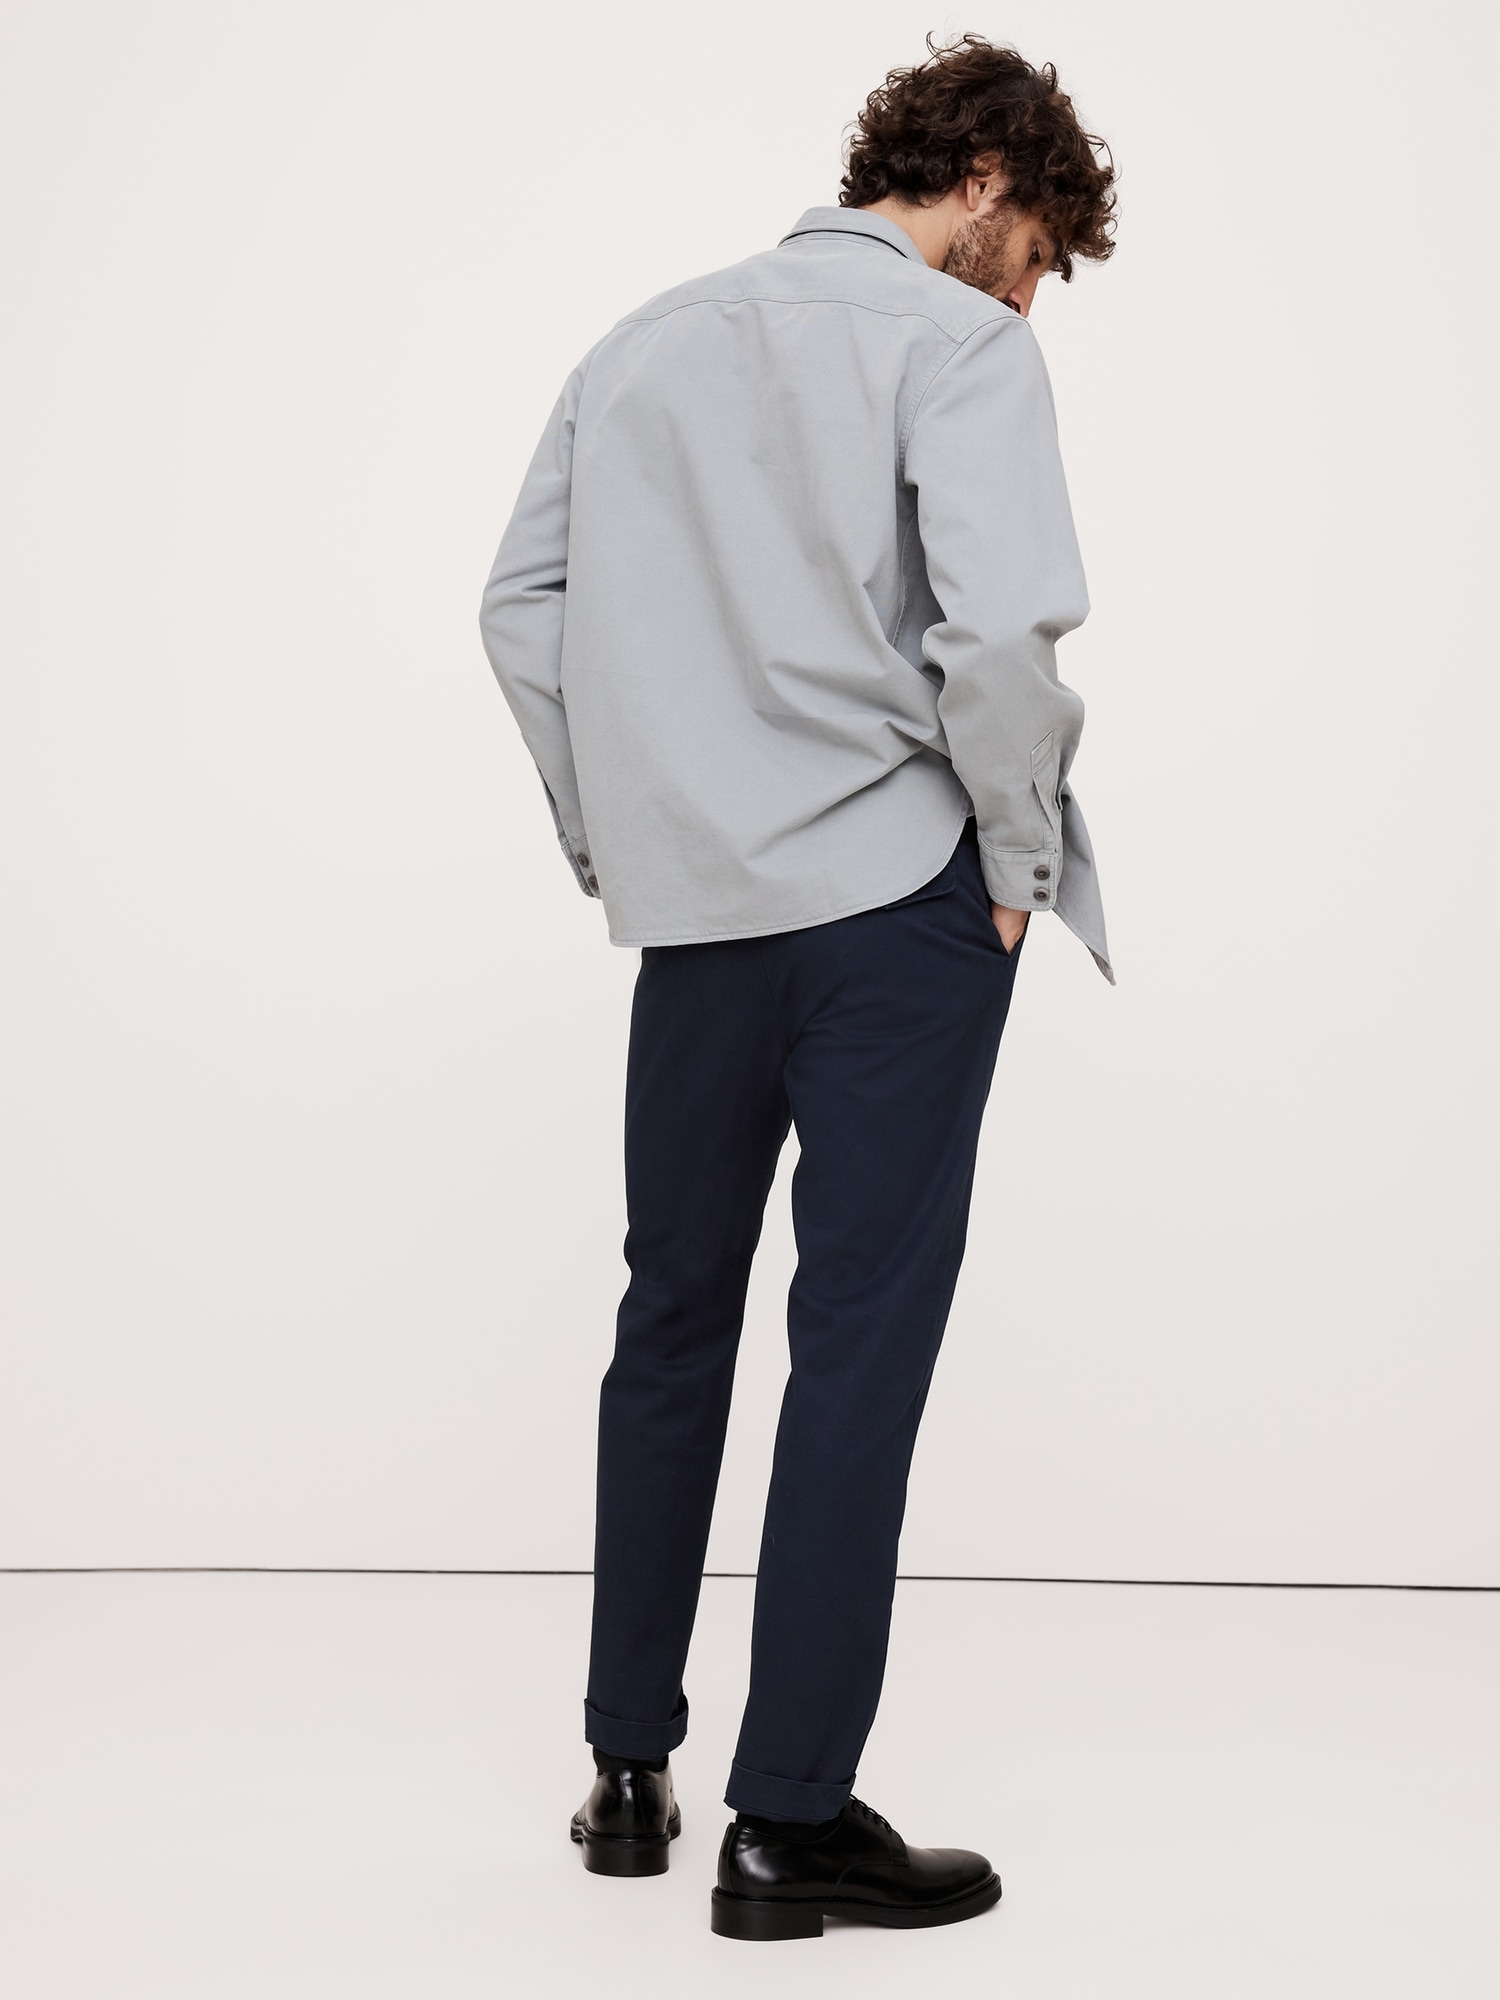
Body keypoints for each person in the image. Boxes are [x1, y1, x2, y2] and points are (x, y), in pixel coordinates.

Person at [479, 33, 1117, 1942]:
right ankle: (790, 1821)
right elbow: (996, 638)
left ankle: (626, 1774)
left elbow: (519, 610)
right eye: (1042, 248)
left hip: (700, 919)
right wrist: (1016, 870)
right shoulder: (961, 345)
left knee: (670, 1319)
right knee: (856, 1344)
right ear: (987, 178)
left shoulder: (642, 341)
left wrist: (624, 834)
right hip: (897, 907)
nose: (1034, 292)